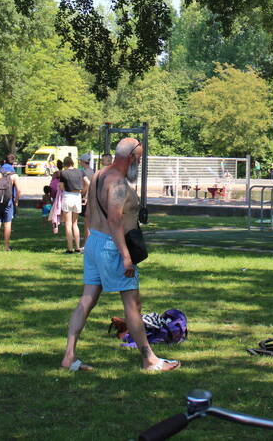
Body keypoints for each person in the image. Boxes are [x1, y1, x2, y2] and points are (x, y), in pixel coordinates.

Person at [61, 137, 180, 372]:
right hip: (111, 247)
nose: (140, 162)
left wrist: (89, 242)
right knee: (132, 303)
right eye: (140, 158)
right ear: (132, 157)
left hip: (94, 242)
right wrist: (125, 256)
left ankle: (68, 358)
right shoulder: (116, 182)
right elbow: (115, 220)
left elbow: (90, 211)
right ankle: (149, 360)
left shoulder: (99, 175)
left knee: (87, 299)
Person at [59, 156, 89, 254]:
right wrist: (83, 192)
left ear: (65, 164)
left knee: (68, 223)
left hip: (68, 196)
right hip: (77, 196)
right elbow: (88, 183)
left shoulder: (63, 173)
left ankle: (70, 248)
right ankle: (77, 247)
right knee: (74, 223)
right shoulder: (80, 171)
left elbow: (61, 187)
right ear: (72, 163)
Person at [0, 154, 20, 251]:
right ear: (13, 162)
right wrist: (16, 201)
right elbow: (19, 190)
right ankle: (6, 246)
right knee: (7, 223)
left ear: (4, 161)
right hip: (9, 201)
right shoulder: (14, 175)